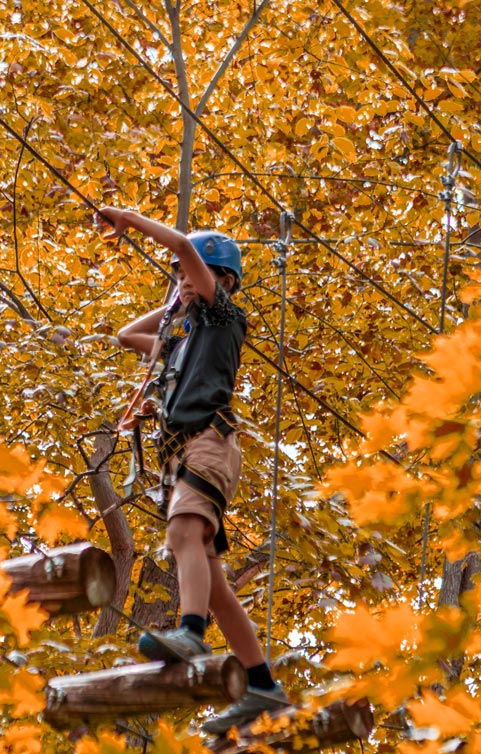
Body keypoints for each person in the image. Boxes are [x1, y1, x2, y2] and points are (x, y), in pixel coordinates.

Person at [97, 207, 290, 734]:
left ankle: (190, 632)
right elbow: (124, 336)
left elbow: (182, 244)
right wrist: (170, 304)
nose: (183, 280)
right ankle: (263, 688)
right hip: (187, 451)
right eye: (180, 278)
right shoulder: (181, 341)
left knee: (184, 530)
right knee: (215, 582)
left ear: (220, 280)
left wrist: (127, 220)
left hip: (209, 441)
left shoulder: (225, 317)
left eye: (191, 275)